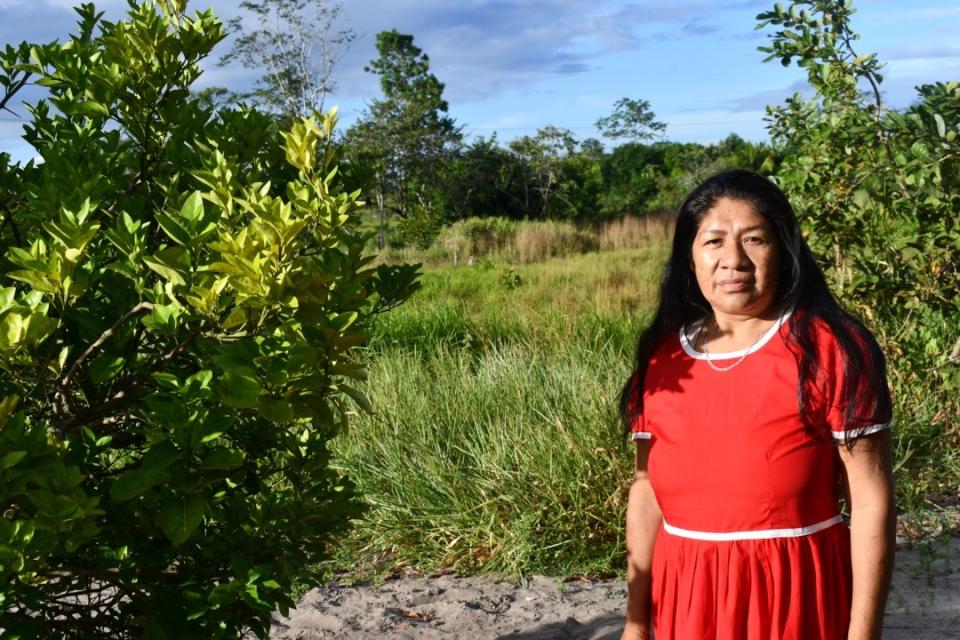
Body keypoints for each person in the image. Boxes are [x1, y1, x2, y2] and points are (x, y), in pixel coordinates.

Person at [618, 170, 896, 640]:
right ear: (689, 256)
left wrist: (863, 634)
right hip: (685, 594)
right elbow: (646, 496)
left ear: (784, 252)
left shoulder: (832, 348)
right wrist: (636, 622)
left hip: (796, 593)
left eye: (754, 239)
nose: (733, 260)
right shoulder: (664, 358)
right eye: (713, 242)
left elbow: (871, 501)